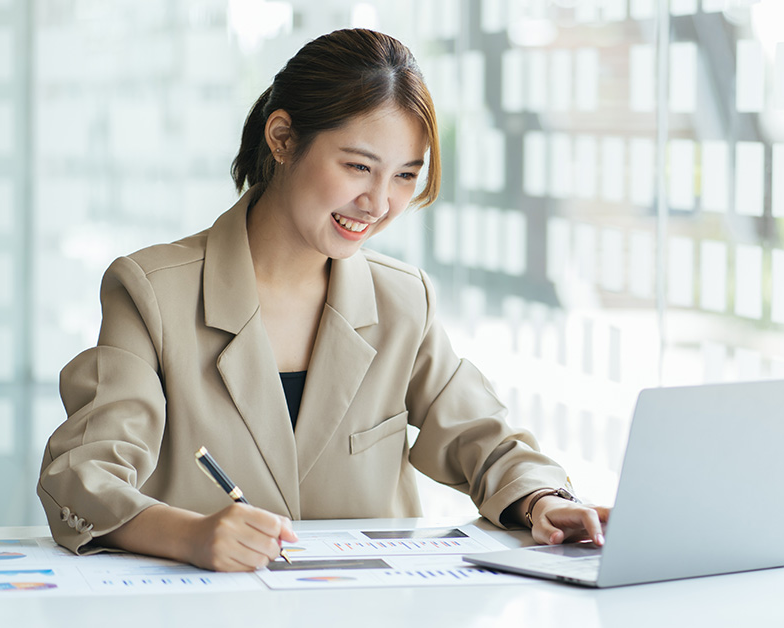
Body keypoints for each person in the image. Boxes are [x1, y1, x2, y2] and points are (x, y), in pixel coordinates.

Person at [37, 28, 608, 572]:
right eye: (358, 166)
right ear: (282, 138)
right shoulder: (153, 290)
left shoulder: (404, 299)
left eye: (405, 176)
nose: (379, 202)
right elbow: (84, 477)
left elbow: (482, 438)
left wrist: (542, 500)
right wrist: (189, 535)